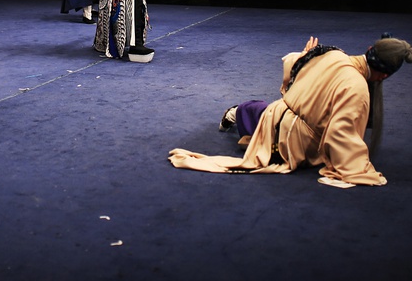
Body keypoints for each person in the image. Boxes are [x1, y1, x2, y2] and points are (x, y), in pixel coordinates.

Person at [169, 35, 412, 188]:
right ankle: (236, 113)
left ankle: (236, 113)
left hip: (279, 117)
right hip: (294, 139)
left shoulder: (334, 54)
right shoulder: (357, 87)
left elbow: (293, 63)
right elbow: (341, 134)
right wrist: (356, 166)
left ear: (370, 48)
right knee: (257, 112)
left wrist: (307, 56)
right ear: (384, 75)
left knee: (260, 111)